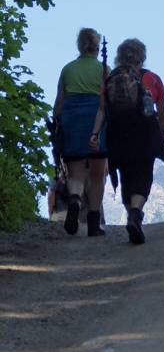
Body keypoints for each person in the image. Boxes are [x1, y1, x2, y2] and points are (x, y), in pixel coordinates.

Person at [90, 38, 164, 245]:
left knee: (125, 175)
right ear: (142, 57)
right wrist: (163, 130)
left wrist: (94, 134)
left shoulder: (110, 78)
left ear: (119, 57)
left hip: (117, 134)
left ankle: (131, 213)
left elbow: (102, 110)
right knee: (143, 175)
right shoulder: (152, 78)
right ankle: (135, 213)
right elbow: (163, 111)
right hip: (144, 134)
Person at [52, 28, 108, 236]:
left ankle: (75, 201)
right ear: (96, 47)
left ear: (79, 46)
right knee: (97, 174)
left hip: (72, 118)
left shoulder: (68, 69)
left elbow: (59, 102)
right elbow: (107, 101)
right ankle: (93, 222)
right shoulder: (103, 69)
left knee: (75, 172)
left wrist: (56, 123)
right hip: (96, 119)